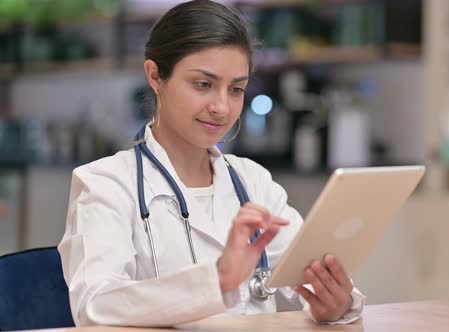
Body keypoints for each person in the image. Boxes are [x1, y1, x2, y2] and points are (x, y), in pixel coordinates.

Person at [58, 0, 365, 327]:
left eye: (236, 89)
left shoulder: (253, 182)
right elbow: (95, 306)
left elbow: (308, 277)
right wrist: (217, 280)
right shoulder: (106, 184)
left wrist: (335, 304)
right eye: (203, 84)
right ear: (155, 76)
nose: (221, 107)